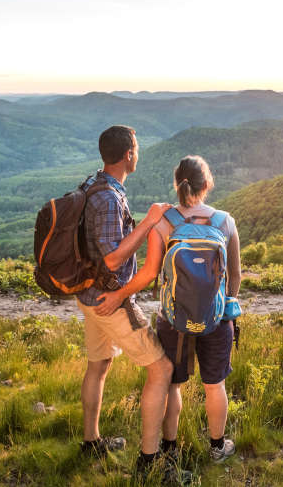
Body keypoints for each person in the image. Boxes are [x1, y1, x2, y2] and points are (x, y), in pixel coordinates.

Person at [95, 155, 242, 464]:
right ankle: (217, 448)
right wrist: (223, 307)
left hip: (173, 319)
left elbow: (149, 273)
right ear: (207, 184)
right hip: (216, 319)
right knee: (215, 385)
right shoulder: (225, 221)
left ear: (178, 184)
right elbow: (235, 277)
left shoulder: (164, 222)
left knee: (172, 384)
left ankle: (170, 448)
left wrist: (120, 294)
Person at [77, 125, 187, 480]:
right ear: (128, 155)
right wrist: (150, 223)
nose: (137, 153)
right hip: (110, 300)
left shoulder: (94, 184)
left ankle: (90, 441)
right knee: (162, 369)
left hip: (89, 295)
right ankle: (149, 460)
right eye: (136, 148)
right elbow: (112, 259)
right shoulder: (108, 198)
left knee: (99, 364)